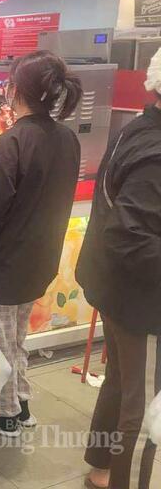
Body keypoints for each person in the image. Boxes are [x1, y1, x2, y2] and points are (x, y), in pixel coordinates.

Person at [0, 50, 82, 437]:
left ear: (14, 90)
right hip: (40, 261)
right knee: (16, 337)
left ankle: (3, 414)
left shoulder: (10, 143)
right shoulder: (67, 138)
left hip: (4, 266)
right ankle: (21, 402)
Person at [77, 46, 161, 489]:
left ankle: (101, 466)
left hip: (112, 286)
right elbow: (132, 236)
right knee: (144, 407)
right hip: (140, 300)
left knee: (120, 382)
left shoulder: (137, 129)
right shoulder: (157, 153)